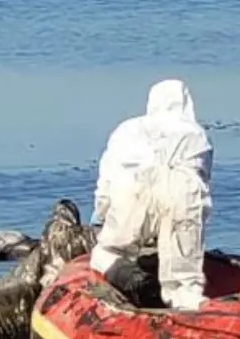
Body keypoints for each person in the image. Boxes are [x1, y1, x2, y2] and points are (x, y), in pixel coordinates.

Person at [89, 79, 214, 311]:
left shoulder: (126, 129)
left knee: (106, 253)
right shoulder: (197, 134)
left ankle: (129, 276)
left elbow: (106, 181)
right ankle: (193, 312)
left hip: (132, 191)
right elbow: (202, 185)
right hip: (181, 194)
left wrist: (101, 216)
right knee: (184, 285)